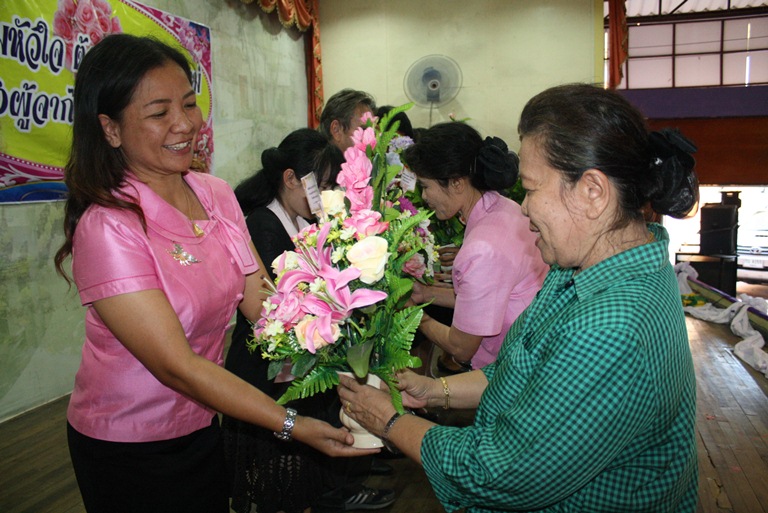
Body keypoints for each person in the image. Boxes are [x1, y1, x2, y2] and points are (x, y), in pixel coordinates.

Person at [337, 83, 700, 513]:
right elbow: (518, 373)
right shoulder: (583, 269)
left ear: (593, 192)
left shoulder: (608, 326)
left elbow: (497, 472)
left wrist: (391, 422)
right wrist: (434, 392)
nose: (523, 209)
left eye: (530, 189)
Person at [53, 34, 373, 513]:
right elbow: (176, 366)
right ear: (111, 128)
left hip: (204, 420)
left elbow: (266, 305)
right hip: (130, 443)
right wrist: (291, 424)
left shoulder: (214, 193)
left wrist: (356, 347)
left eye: (189, 104)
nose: (185, 124)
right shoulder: (109, 226)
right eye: (159, 113)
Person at [222, 129, 395, 513]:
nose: (327, 194)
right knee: (275, 480)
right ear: (290, 179)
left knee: (303, 476)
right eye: (324, 184)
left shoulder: (302, 219)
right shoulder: (261, 225)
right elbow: (273, 305)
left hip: (295, 367)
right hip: (261, 370)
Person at [402, 122, 548, 370]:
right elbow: (482, 299)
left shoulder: (481, 249)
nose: (424, 197)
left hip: (507, 368)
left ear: (457, 183)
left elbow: (461, 346)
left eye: (426, 186)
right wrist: (425, 293)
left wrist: (415, 316)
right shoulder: (505, 207)